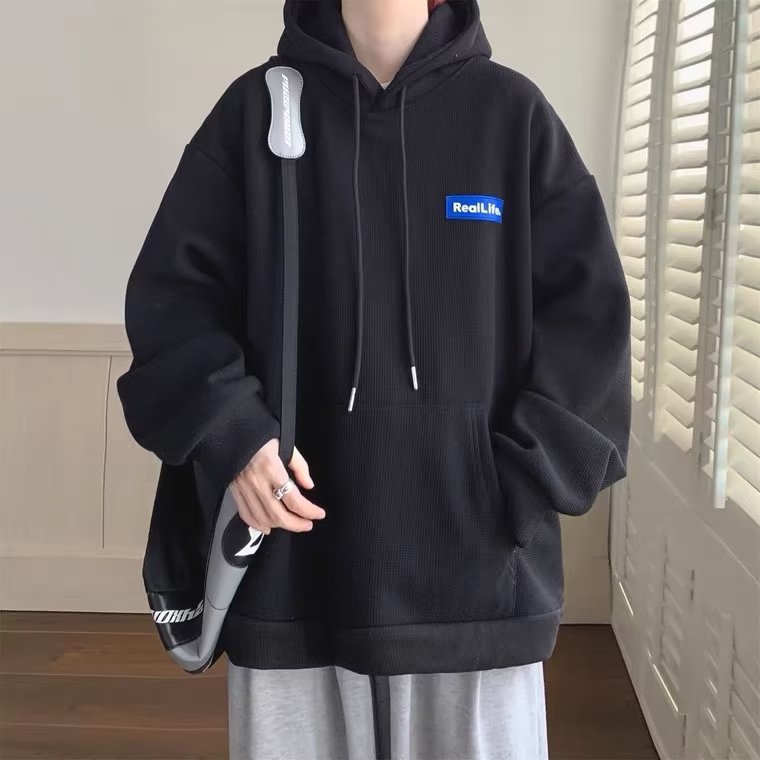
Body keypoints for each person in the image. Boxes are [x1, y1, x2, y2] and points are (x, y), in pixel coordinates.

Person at [117, 0, 632, 757]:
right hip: (294, 572)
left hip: (478, 584)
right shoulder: (254, 114)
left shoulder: (512, 116)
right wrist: (237, 438)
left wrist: (517, 488)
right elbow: (173, 307)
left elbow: (592, 325)